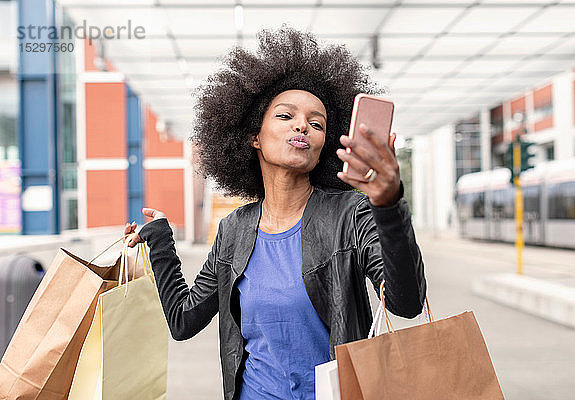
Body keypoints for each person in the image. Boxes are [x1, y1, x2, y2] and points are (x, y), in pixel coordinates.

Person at [123, 26, 426, 400]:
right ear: (253, 136)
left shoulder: (351, 214)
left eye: (317, 124)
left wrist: (389, 204)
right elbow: (184, 320)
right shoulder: (234, 229)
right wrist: (160, 241)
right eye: (286, 116)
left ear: (324, 147)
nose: (303, 126)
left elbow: (406, 303)